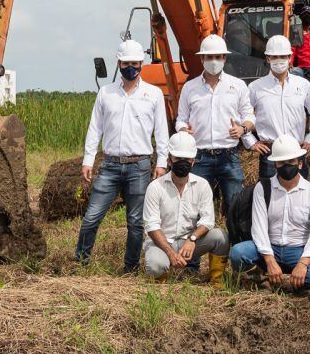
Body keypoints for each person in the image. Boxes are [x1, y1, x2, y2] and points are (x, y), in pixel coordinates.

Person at [75, 39, 170, 274]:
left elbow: (161, 131)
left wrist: (161, 163)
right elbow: (94, 128)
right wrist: (88, 160)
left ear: (142, 64)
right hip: (110, 165)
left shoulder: (154, 94)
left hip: (139, 165)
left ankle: (130, 267)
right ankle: (80, 262)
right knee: (91, 217)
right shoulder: (105, 93)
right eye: (126, 63)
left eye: (135, 63)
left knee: (136, 222)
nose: (131, 67)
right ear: (119, 63)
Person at [229, 135, 310, 291]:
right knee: (238, 253)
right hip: (269, 247)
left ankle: (290, 283)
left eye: (291, 162)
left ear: (300, 163)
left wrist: (303, 264)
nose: (286, 166)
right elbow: (259, 228)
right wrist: (269, 260)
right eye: (282, 162)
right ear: (275, 165)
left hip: (298, 250)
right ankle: (261, 278)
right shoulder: (263, 188)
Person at [176, 34, 255, 215]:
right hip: (199, 157)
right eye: (209, 57)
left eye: (217, 57)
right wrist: (182, 129)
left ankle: (236, 242)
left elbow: (250, 116)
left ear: (224, 58)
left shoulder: (238, 86)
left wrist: (243, 128)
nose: (213, 61)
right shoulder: (190, 88)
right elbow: (180, 119)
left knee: (236, 208)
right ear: (202, 58)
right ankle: (201, 242)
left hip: (229, 156)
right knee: (196, 210)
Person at [143, 132, 230, 287]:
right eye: (177, 159)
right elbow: (152, 226)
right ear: (169, 159)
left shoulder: (202, 185)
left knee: (220, 237)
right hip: (161, 242)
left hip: (188, 243)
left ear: (193, 161)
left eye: (186, 159)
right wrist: (170, 253)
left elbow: (207, 220)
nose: (182, 162)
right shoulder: (155, 187)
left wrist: (192, 240)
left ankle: (217, 282)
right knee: (156, 266)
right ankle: (161, 283)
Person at [242, 35, 310, 180]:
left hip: (296, 151)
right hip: (270, 152)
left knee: (299, 196)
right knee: (270, 197)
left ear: (289, 57)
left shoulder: (302, 85)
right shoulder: (256, 87)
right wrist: (250, 141)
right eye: (274, 57)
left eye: (283, 56)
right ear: (268, 59)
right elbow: (243, 114)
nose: (279, 60)